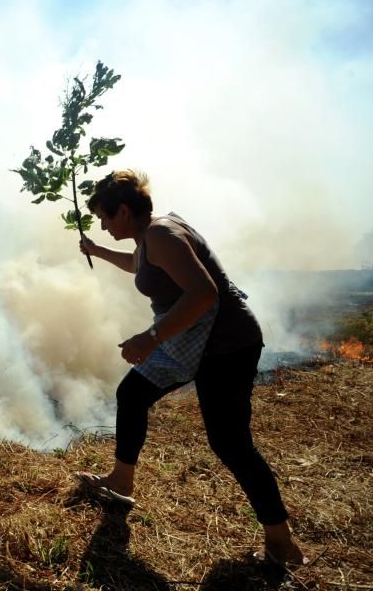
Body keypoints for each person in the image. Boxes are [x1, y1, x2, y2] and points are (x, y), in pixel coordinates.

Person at [74, 169, 305, 566]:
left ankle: (282, 544)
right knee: (132, 393)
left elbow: (203, 293)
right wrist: (97, 250)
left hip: (225, 344)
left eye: (106, 218)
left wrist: (150, 338)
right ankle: (121, 481)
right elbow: (138, 265)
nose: (104, 225)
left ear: (125, 211)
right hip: (190, 339)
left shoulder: (163, 235)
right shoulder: (150, 237)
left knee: (230, 442)